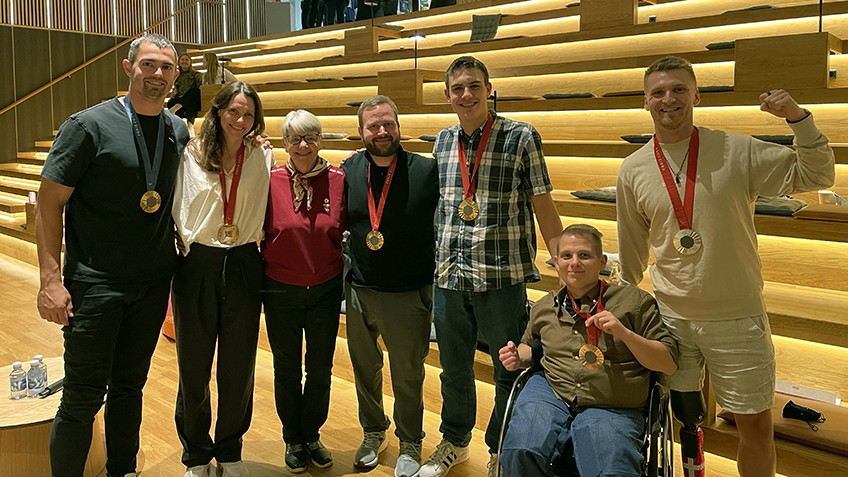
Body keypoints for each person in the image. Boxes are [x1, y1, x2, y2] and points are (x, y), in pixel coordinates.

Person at [616, 56, 836, 477]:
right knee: (682, 422)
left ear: (696, 95)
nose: (669, 99)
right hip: (670, 320)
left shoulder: (737, 149)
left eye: (679, 89)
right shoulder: (634, 169)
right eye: (659, 92)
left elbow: (818, 174)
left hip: (736, 318)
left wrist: (797, 118)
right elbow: (631, 248)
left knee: (755, 428)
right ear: (645, 102)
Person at [35, 34, 190, 477]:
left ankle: (122, 469)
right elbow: (49, 204)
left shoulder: (178, 130)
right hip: (94, 284)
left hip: (151, 284)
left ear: (176, 75)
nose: (156, 75)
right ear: (128, 68)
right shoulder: (87, 126)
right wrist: (50, 280)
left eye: (165, 67)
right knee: (83, 394)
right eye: (148, 65)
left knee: (130, 387)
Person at [418, 55, 563, 477]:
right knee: (454, 367)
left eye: (474, 86)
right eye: (458, 88)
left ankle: (501, 445)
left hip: (501, 276)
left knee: (508, 367)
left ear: (488, 90)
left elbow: (542, 204)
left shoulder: (521, 136)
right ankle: (455, 441)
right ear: (447, 95)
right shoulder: (442, 142)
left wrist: (565, 265)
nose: (467, 94)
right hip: (449, 275)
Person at [498, 224, 678, 477]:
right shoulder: (544, 306)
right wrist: (519, 358)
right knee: (520, 450)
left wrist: (624, 333)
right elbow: (530, 346)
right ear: (557, 261)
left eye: (584, 255)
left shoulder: (635, 303)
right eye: (567, 256)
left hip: (612, 401)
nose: (575, 263)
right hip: (553, 392)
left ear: (601, 261)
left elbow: (668, 364)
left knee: (610, 470)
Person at [171, 81, 272, 477]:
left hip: (246, 259)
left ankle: (230, 450)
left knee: (238, 364)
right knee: (193, 363)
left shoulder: (262, 154)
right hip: (198, 262)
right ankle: (196, 454)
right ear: (217, 112)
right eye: (233, 111)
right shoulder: (191, 154)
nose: (241, 120)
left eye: (248, 114)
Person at [342, 95, 440, 477]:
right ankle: (373, 431)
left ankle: (410, 441)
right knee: (364, 368)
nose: (381, 132)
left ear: (398, 126)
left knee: (407, 373)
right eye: (373, 126)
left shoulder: (426, 170)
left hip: (408, 292)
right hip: (360, 290)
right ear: (361, 131)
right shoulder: (350, 169)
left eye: (388, 124)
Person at [262, 109, 346, 474]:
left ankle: (312, 434)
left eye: (310, 137)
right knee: (286, 369)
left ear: (320, 140)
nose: (303, 145)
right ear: (284, 143)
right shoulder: (268, 179)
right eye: (294, 138)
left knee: (320, 368)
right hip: (280, 289)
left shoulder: (341, 179)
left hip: (326, 289)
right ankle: (292, 438)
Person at [168, 53, 204, 125]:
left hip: (194, 99)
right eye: (182, 59)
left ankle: (189, 125)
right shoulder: (176, 75)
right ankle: (186, 126)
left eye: (187, 60)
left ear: (190, 62)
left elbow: (201, 89)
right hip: (183, 100)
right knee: (170, 102)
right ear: (179, 62)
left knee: (193, 94)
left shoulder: (197, 74)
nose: (184, 61)